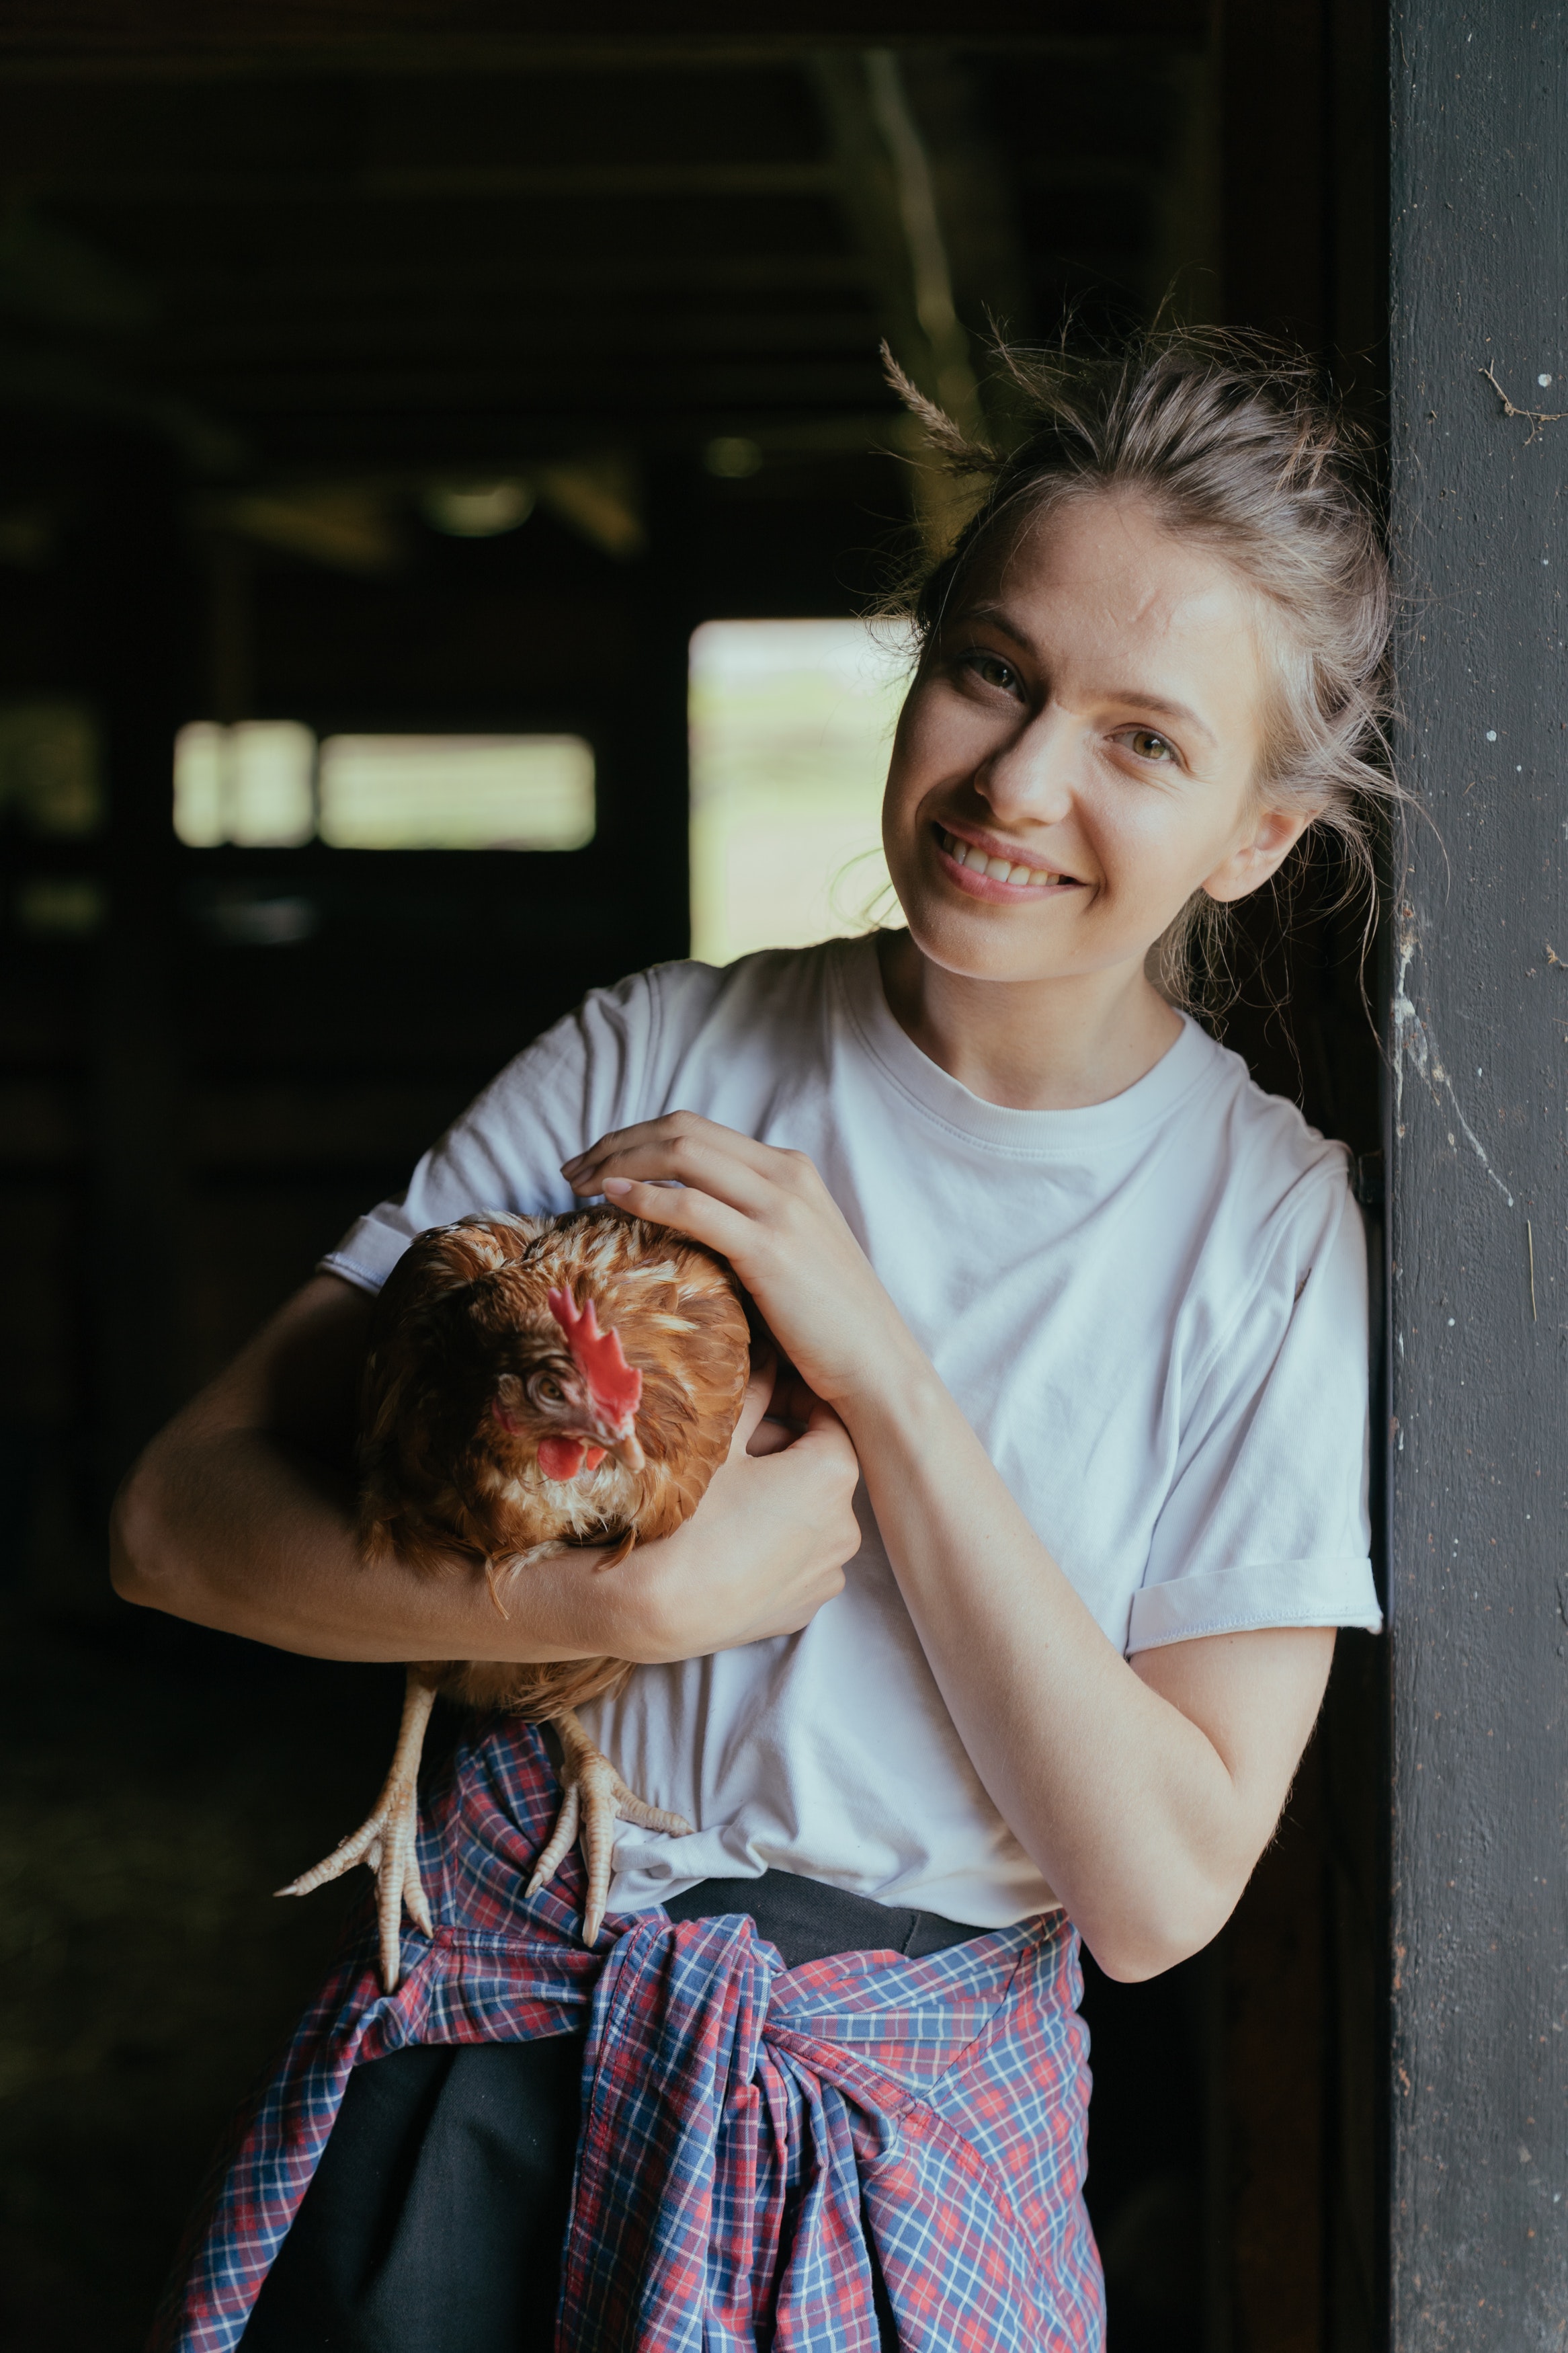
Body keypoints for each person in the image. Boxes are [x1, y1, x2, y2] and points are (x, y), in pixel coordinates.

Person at [116, 329, 1389, 2353]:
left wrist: (882, 1372)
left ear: (1255, 830)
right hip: (493, 2053)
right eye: (993, 667)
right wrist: (628, 1605)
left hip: (887, 2144)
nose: (1020, 782)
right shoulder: (662, 1050)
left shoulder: (1260, 1232)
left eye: (1146, 741)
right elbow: (176, 1524)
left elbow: (1157, 1891)